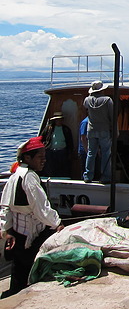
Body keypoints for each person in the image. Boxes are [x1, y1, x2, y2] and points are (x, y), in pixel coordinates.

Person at [0, 137, 64, 298]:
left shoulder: (15, 176)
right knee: (29, 268)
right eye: (40, 157)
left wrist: (7, 230)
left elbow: (5, 206)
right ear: (27, 158)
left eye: (44, 156)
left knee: (19, 270)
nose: (44, 160)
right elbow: (41, 209)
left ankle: (14, 292)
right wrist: (57, 223)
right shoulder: (29, 178)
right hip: (30, 235)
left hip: (18, 233)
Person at [83, 80, 114, 183]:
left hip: (91, 130)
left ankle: (88, 176)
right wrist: (115, 131)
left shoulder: (87, 100)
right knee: (106, 153)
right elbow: (112, 117)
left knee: (91, 153)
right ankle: (106, 177)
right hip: (104, 130)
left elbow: (85, 108)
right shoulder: (108, 100)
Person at [40, 112, 73, 178]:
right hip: (50, 152)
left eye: (60, 119)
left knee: (62, 168)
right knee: (50, 168)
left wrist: (70, 152)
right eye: (57, 120)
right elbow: (41, 138)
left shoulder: (66, 129)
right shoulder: (49, 129)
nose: (59, 121)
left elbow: (70, 142)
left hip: (62, 152)